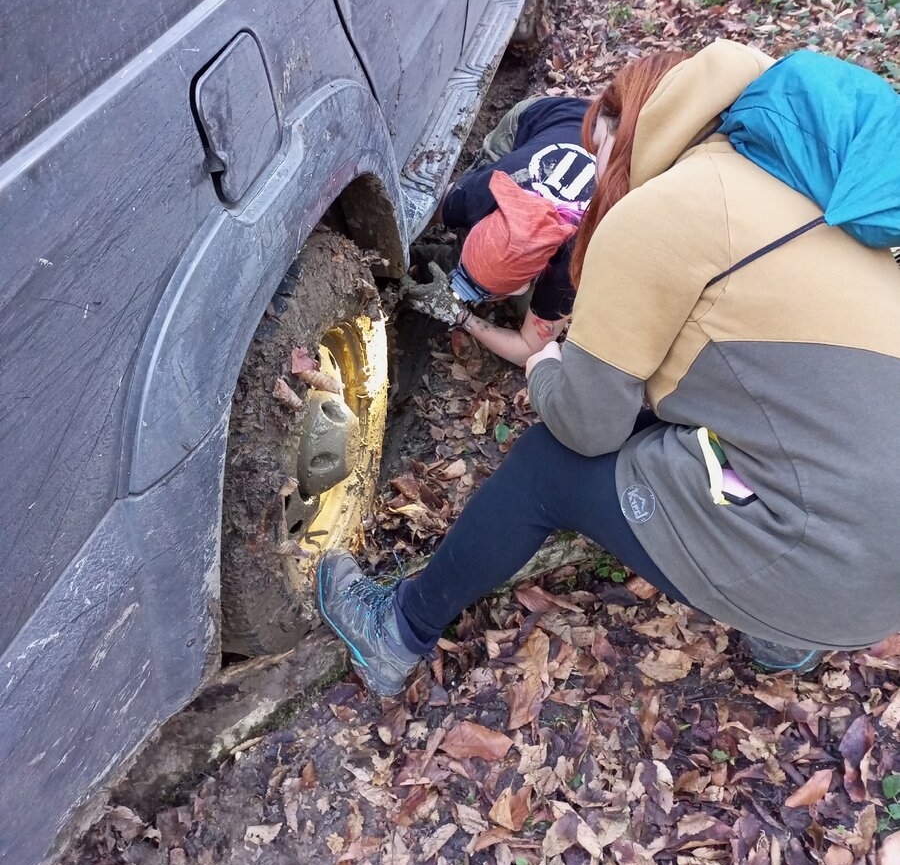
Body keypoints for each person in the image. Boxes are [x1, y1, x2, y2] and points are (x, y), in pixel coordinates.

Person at [318, 40, 900, 696]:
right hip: (885, 582)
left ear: (627, 129)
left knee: (550, 467)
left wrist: (543, 364)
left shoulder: (664, 212)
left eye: (597, 142)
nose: (593, 170)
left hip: (824, 571)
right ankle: (786, 636)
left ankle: (397, 631)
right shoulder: (805, 196)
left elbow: (589, 427)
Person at [402, 96, 607, 365]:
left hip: (602, 132)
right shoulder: (481, 191)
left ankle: (457, 262)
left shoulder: (569, 268)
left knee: (530, 311)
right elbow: (427, 209)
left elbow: (529, 351)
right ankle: (460, 258)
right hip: (552, 115)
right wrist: (399, 251)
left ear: (524, 285)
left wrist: (460, 316)